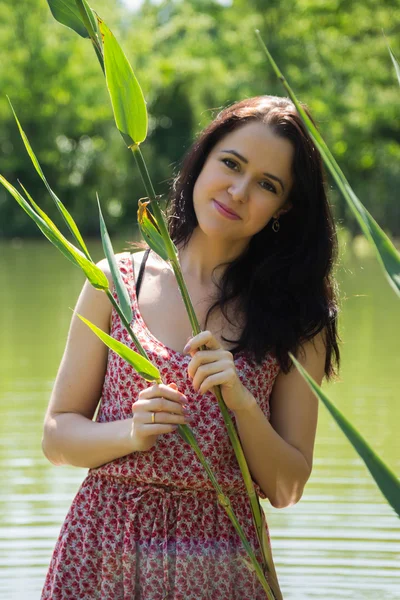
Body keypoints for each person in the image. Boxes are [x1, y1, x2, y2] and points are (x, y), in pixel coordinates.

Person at [40, 95, 340, 599]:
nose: (239, 191)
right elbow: (56, 437)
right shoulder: (114, 282)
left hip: (224, 564)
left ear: (285, 207)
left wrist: (243, 404)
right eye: (231, 164)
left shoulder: (297, 317)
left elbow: (286, 489)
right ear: (201, 161)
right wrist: (130, 433)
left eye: (267, 185)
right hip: (104, 550)